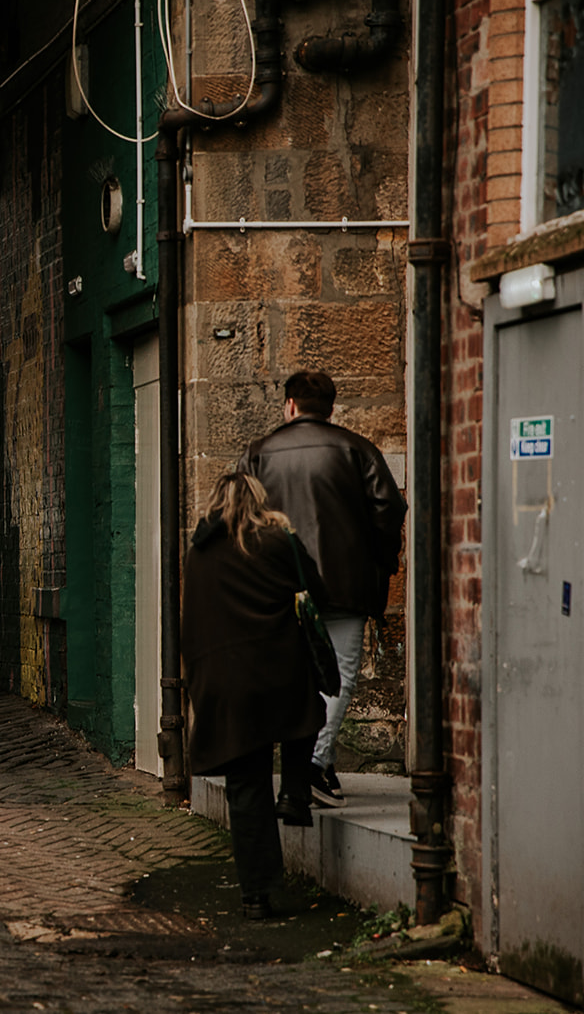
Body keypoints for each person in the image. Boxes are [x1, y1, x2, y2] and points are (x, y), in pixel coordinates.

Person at [238, 371, 408, 808]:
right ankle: (315, 762)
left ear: (290, 405)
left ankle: (312, 763)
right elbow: (389, 506)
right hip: (344, 582)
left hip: (278, 584)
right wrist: (378, 559)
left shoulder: (260, 453)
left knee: (289, 675)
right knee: (340, 674)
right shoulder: (356, 449)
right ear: (330, 408)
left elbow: (241, 514)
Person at [182, 471, 327, 920]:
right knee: (310, 715)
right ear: (259, 501)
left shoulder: (198, 553)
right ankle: (296, 792)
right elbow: (315, 587)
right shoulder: (276, 541)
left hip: (226, 686)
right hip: (279, 673)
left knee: (246, 788)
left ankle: (256, 896)